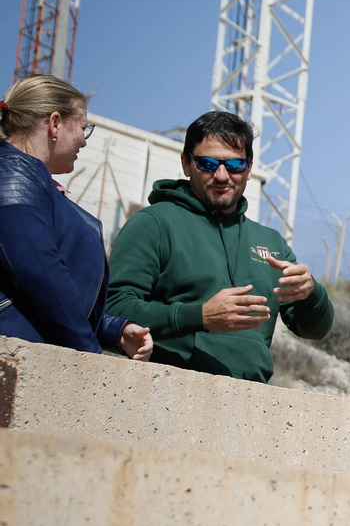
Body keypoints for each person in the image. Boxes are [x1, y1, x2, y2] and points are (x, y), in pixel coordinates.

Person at [106, 111, 334, 382]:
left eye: (235, 165)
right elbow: (114, 307)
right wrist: (200, 316)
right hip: (167, 389)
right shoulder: (153, 223)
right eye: (208, 163)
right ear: (186, 163)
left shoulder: (271, 243)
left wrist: (311, 293)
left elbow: (314, 330)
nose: (222, 175)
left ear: (249, 168)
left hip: (250, 398)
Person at [0, 74, 152, 360]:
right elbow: (41, 275)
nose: (84, 140)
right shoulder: (14, 173)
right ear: (55, 123)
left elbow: (54, 296)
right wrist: (89, 354)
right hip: (18, 361)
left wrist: (114, 329)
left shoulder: (28, 178)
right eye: (84, 128)